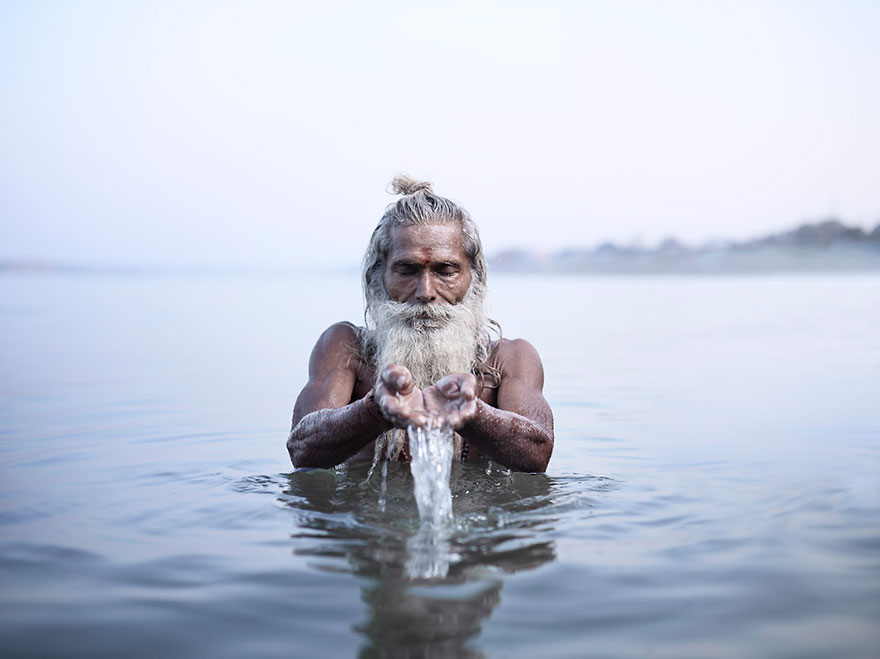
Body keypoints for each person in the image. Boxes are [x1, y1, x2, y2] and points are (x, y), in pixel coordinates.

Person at [287, 176, 554, 473]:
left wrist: (472, 414)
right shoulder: (345, 347)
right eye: (407, 270)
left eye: (446, 270)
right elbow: (301, 447)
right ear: (380, 276)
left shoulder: (509, 358)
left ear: (473, 277)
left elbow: (538, 452)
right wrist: (374, 410)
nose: (425, 291)